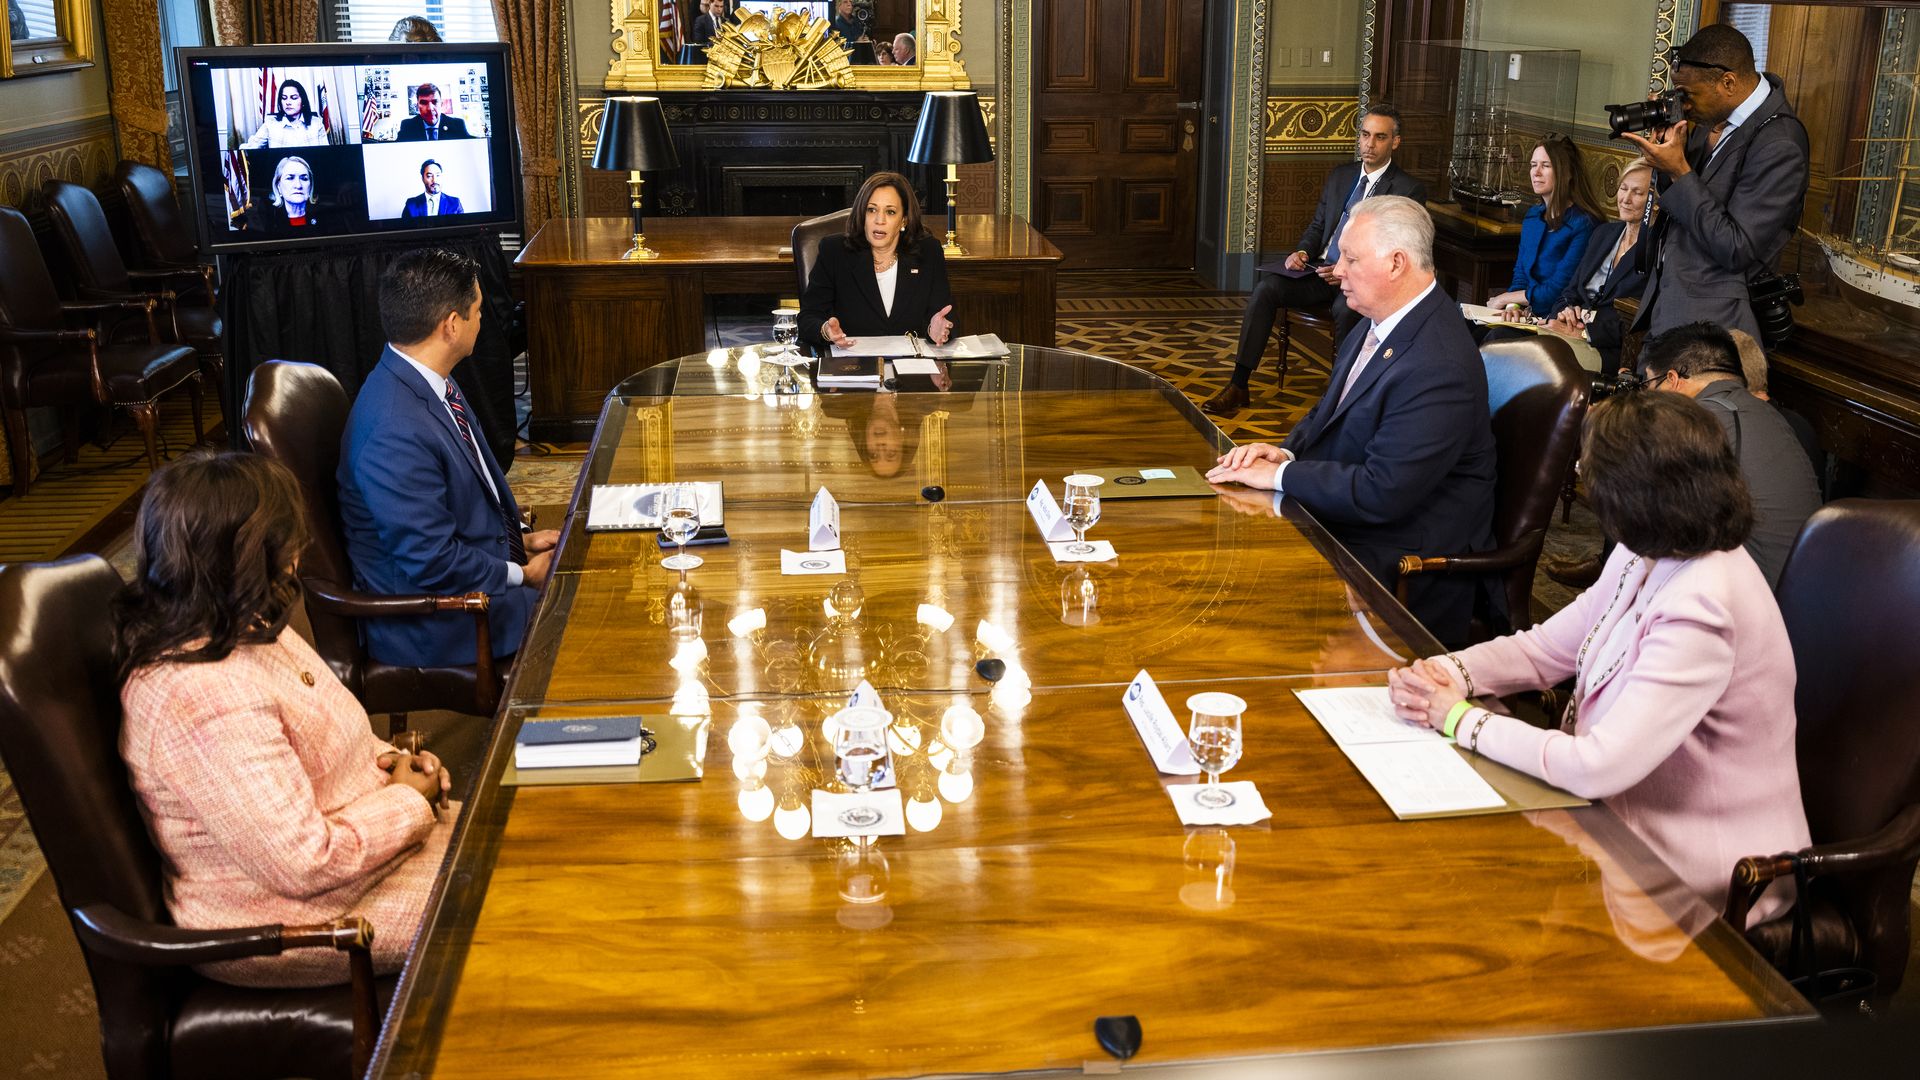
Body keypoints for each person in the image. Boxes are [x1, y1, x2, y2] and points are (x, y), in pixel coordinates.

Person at [1384, 390, 1811, 925]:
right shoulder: (1648, 549)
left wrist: (1456, 718)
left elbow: (1597, 767)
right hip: (1622, 814)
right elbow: (1547, 648)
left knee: (1476, 890)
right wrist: (1448, 673)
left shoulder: (1704, 605)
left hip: (1702, 862)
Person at [115, 451, 457, 987]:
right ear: (249, 556)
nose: (299, 550)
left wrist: (396, 765)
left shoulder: (240, 621)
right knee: (516, 909)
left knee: (534, 847)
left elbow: (327, 731)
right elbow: (302, 862)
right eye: (286, 541)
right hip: (294, 919)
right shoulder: (200, 695)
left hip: (358, 866)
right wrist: (408, 801)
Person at [1206, 196, 1497, 646]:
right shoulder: (1380, 319)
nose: (1337, 270)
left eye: (1351, 258)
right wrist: (1285, 453)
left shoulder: (1437, 363)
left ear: (1396, 263)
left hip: (1403, 556)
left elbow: (1383, 492)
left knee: (1247, 592)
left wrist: (1280, 476)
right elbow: (1328, 411)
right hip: (1357, 521)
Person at [338, 249, 559, 668]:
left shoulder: (423, 380)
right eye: (479, 311)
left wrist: (519, 541)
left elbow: (455, 508)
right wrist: (521, 573)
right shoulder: (394, 429)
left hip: (468, 583)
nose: (483, 320)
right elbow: (431, 559)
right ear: (452, 325)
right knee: (587, 611)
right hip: (442, 621)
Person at [1201, 103, 1425, 418]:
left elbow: (1395, 249)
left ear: (1395, 142)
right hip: (1318, 272)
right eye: (1365, 135)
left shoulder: (1407, 189)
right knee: (1266, 289)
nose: (1369, 144)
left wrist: (1350, 269)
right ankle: (1239, 385)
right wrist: (1303, 252)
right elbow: (1319, 226)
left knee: (1346, 311)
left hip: (1360, 282)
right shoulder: (1341, 176)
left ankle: (1340, 399)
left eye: (1380, 137)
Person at [1622, 23, 1809, 341]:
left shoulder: (1780, 143)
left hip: (1714, 324)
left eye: (1689, 94)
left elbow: (1736, 248)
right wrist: (1666, 161)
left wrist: (1679, 170)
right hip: (1669, 304)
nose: (1685, 105)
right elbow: (1682, 207)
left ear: (1728, 82)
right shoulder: (1713, 117)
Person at [1635, 322, 1821, 587]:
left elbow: (1649, 514)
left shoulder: (1702, 419)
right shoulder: (1765, 413)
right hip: (1796, 590)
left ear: (1673, 380)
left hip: (1754, 596)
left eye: (1649, 385)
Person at [1493, 159, 1653, 377]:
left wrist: (1584, 330)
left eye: (1638, 193)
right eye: (1623, 189)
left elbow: (1642, 318)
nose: (1626, 199)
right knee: (1497, 337)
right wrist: (1564, 312)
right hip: (1565, 330)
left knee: (1519, 353)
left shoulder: (1657, 250)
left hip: (1605, 347)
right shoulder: (1604, 233)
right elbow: (1570, 290)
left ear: (1655, 202)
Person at [799, 171, 955, 352]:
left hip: (912, 365)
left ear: (904, 220)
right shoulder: (835, 251)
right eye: (871, 210)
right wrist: (826, 330)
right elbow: (808, 318)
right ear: (862, 215)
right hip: (853, 363)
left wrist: (935, 329)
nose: (879, 220)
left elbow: (947, 317)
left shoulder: (928, 252)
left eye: (890, 212)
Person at [1485, 134, 1601, 318]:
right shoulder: (1533, 216)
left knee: (1492, 334)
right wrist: (1512, 307)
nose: (1536, 172)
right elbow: (1521, 275)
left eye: (1546, 165)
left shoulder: (1585, 224)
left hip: (1558, 319)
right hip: (1527, 314)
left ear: (1568, 173)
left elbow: (1557, 290)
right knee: (1468, 326)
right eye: (1533, 165)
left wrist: (1505, 298)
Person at [240, 79, 330, 149]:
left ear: (303, 101)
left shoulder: (316, 123)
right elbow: (249, 147)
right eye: (284, 98)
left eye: (293, 98)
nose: (288, 102)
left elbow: (325, 154)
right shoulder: (270, 124)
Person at [246, 155, 325, 232]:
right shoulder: (267, 223)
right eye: (290, 178)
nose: (298, 185)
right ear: (278, 187)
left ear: (310, 186)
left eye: (304, 178)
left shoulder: (323, 219)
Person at [395, 83, 471, 141]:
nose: (430, 108)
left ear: (441, 104)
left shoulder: (458, 125)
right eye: (424, 103)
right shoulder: (407, 126)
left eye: (435, 102)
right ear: (417, 106)